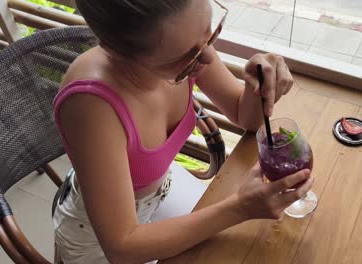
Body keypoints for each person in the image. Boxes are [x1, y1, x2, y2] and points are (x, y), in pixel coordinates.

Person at [52, 0, 314, 263]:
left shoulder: (184, 46)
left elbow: (243, 115)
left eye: (209, 32)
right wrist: (240, 208)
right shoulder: (90, 106)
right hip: (99, 240)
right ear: (125, 52)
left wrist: (258, 88)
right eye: (185, 58)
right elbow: (122, 247)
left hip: (159, 193)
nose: (209, 57)